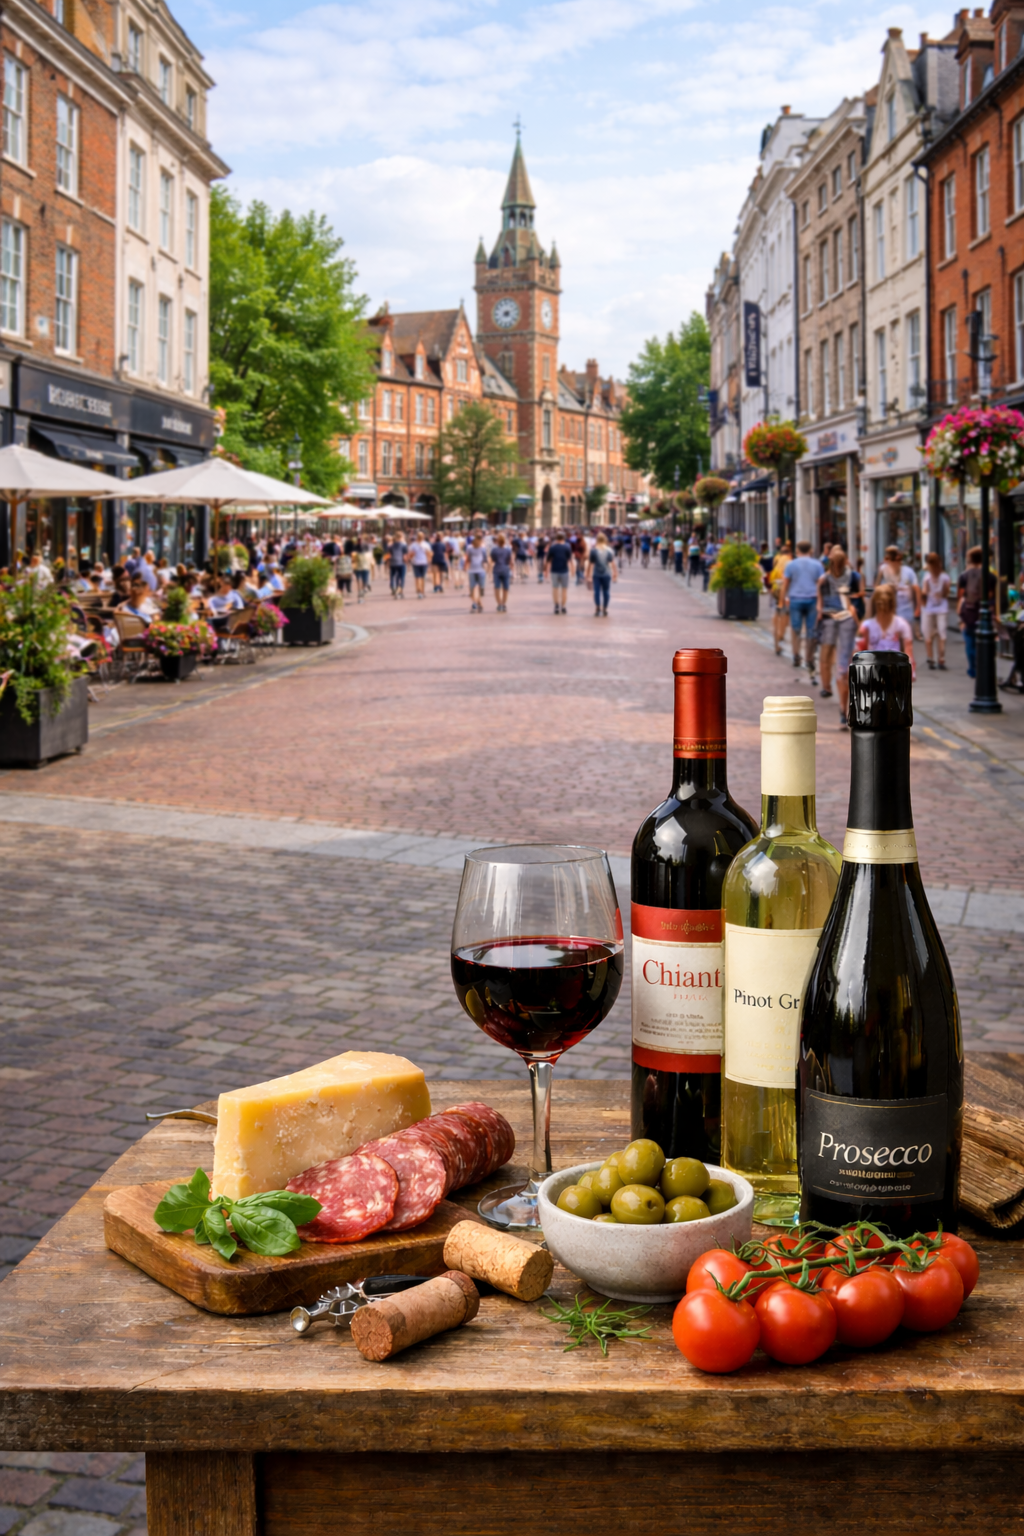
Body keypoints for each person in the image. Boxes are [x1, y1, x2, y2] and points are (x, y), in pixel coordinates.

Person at [816, 547, 860, 726]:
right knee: (843, 663)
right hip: (845, 619)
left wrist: (820, 611)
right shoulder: (851, 576)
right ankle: (843, 707)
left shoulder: (824, 578)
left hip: (830, 619)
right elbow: (858, 598)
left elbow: (819, 598)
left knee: (831, 658)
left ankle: (829, 689)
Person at [782, 539, 825, 676]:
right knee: (811, 629)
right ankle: (809, 658)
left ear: (797, 551)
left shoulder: (791, 564)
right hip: (812, 599)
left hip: (795, 599)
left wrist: (783, 600)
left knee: (796, 629)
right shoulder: (817, 565)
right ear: (811, 550)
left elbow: (785, 583)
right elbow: (821, 584)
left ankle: (796, 655)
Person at [857, 582, 914, 671]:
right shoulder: (866, 626)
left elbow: (908, 649)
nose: (883, 611)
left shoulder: (901, 625)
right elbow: (859, 652)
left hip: (893, 672)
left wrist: (910, 671)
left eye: (885, 606)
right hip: (873, 672)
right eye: (880, 606)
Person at [875, 545, 921, 636]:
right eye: (889, 559)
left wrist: (918, 608)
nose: (892, 563)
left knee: (904, 637)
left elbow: (916, 589)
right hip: (890, 610)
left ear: (898, 558)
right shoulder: (884, 569)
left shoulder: (908, 571)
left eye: (893, 559)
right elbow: (877, 587)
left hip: (906, 611)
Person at [957, 545, 984, 679]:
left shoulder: (964, 576)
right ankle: (982, 666)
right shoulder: (988, 575)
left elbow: (961, 595)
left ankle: (973, 669)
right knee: (983, 641)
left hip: (968, 612)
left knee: (969, 641)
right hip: (983, 613)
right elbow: (991, 596)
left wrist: (960, 613)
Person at [921, 552, 951, 671]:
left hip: (941, 608)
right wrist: (923, 607)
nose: (934, 569)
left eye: (935, 566)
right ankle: (931, 658)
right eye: (931, 566)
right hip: (929, 608)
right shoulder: (927, 577)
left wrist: (942, 592)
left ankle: (941, 658)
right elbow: (924, 593)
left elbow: (946, 593)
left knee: (942, 633)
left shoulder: (945, 577)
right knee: (928, 635)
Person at [769, 540, 792, 655]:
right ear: (789, 553)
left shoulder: (776, 559)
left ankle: (776, 644)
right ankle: (781, 635)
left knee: (775, 616)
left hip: (775, 589)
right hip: (784, 591)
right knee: (784, 615)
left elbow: (772, 571)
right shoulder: (789, 561)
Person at [588, 532, 617, 616]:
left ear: (597, 540)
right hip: (607, 573)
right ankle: (605, 608)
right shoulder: (609, 550)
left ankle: (597, 607)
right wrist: (615, 573)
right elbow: (612, 563)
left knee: (596, 591)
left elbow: (591, 564)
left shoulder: (593, 551)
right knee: (606, 591)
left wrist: (588, 574)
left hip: (596, 573)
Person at [546, 530, 574, 614]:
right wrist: (573, 570)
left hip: (554, 570)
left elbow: (548, 560)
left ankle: (556, 606)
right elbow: (570, 560)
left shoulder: (552, 547)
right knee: (564, 590)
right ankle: (563, 606)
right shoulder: (567, 547)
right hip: (564, 570)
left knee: (555, 589)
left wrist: (546, 571)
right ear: (564, 538)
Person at [490, 531, 512, 612]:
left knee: (497, 588)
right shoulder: (508, 550)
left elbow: (493, 559)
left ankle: (499, 604)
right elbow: (509, 560)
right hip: (505, 569)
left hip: (497, 569)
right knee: (505, 588)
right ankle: (503, 603)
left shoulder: (494, 550)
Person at [465, 534, 487, 612]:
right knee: (474, 588)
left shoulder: (482, 549)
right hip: (475, 570)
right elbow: (468, 558)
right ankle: (476, 603)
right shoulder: (470, 548)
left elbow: (484, 559)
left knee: (477, 589)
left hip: (478, 570)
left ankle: (476, 603)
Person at [409, 533, 432, 599]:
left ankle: (419, 591)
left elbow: (410, 555)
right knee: (422, 577)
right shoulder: (426, 544)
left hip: (417, 562)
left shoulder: (413, 545)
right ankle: (421, 591)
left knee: (418, 577)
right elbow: (430, 554)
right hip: (422, 562)